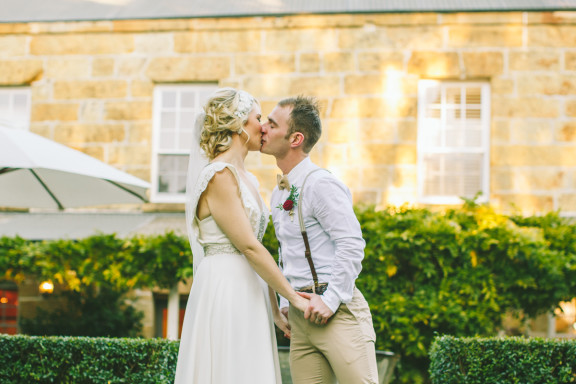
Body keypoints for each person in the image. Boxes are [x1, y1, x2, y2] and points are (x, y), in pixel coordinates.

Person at [174, 88, 309, 384]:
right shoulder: (219, 175)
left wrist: (274, 309)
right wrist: (294, 298)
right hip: (226, 286)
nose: (263, 126)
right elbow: (248, 246)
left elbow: (255, 248)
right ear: (237, 124)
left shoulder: (247, 177)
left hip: (251, 287)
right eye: (258, 118)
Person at [260, 96, 379, 384]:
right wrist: (285, 300)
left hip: (336, 312)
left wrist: (331, 299)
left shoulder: (320, 184)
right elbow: (287, 251)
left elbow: (352, 243)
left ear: (295, 138)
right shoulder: (279, 193)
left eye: (272, 124)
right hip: (301, 316)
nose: (262, 127)